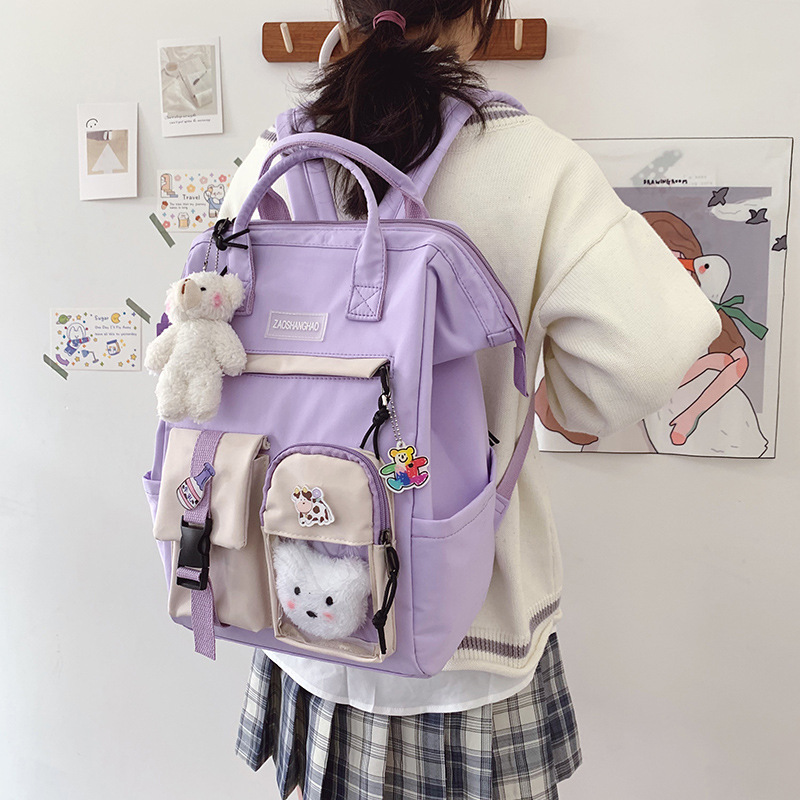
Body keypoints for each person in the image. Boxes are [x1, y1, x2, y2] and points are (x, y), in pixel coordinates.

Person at [219, 2, 722, 798]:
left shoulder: (278, 157)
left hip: (305, 609)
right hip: (472, 632)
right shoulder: (532, 163)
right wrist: (562, 406)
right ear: (482, 10)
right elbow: (655, 347)